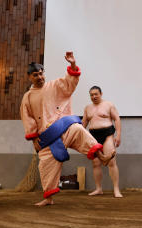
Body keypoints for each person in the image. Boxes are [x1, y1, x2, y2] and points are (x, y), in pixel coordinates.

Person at [20, 52, 115, 206]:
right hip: (47, 136)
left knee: (79, 130)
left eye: (41, 73)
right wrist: (33, 138)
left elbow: (69, 83)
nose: (40, 77)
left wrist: (72, 65)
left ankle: (102, 157)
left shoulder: (55, 85)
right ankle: (48, 198)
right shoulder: (27, 98)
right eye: (35, 75)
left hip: (63, 126)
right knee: (46, 165)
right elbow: (27, 118)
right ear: (30, 77)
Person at [82, 86, 123, 198]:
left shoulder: (109, 105)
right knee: (95, 163)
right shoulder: (87, 108)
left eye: (96, 94)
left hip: (107, 134)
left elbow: (117, 119)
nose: (94, 96)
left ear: (101, 94)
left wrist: (118, 135)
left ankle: (116, 189)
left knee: (111, 161)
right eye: (91, 95)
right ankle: (99, 189)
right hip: (93, 136)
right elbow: (83, 124)